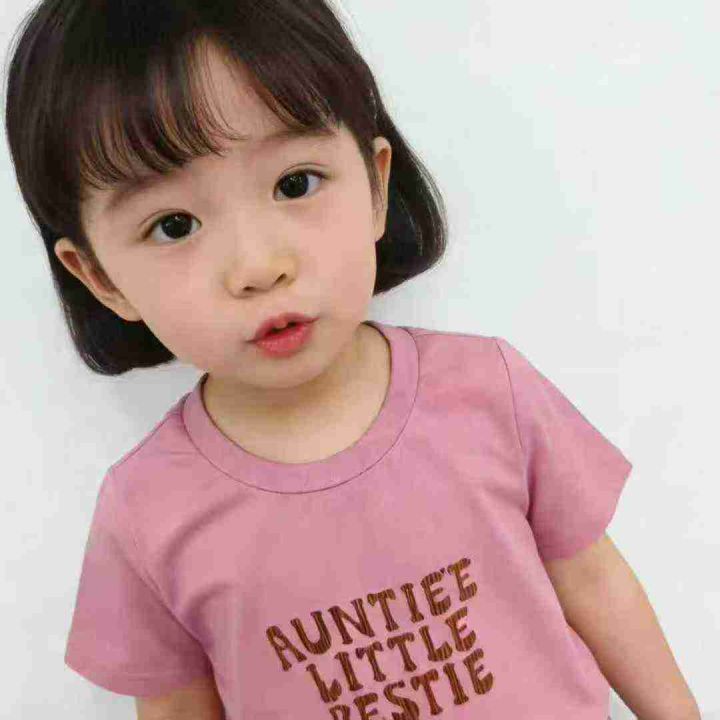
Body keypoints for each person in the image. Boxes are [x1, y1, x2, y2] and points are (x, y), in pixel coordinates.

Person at [4, 2, 695, 719]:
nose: (258, 266)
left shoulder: (491, 390)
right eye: (173, 225)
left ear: (375, 183)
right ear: (100, 278)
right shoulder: (145, 512)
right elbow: (178, 710)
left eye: (295, 183)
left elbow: (594, 580)